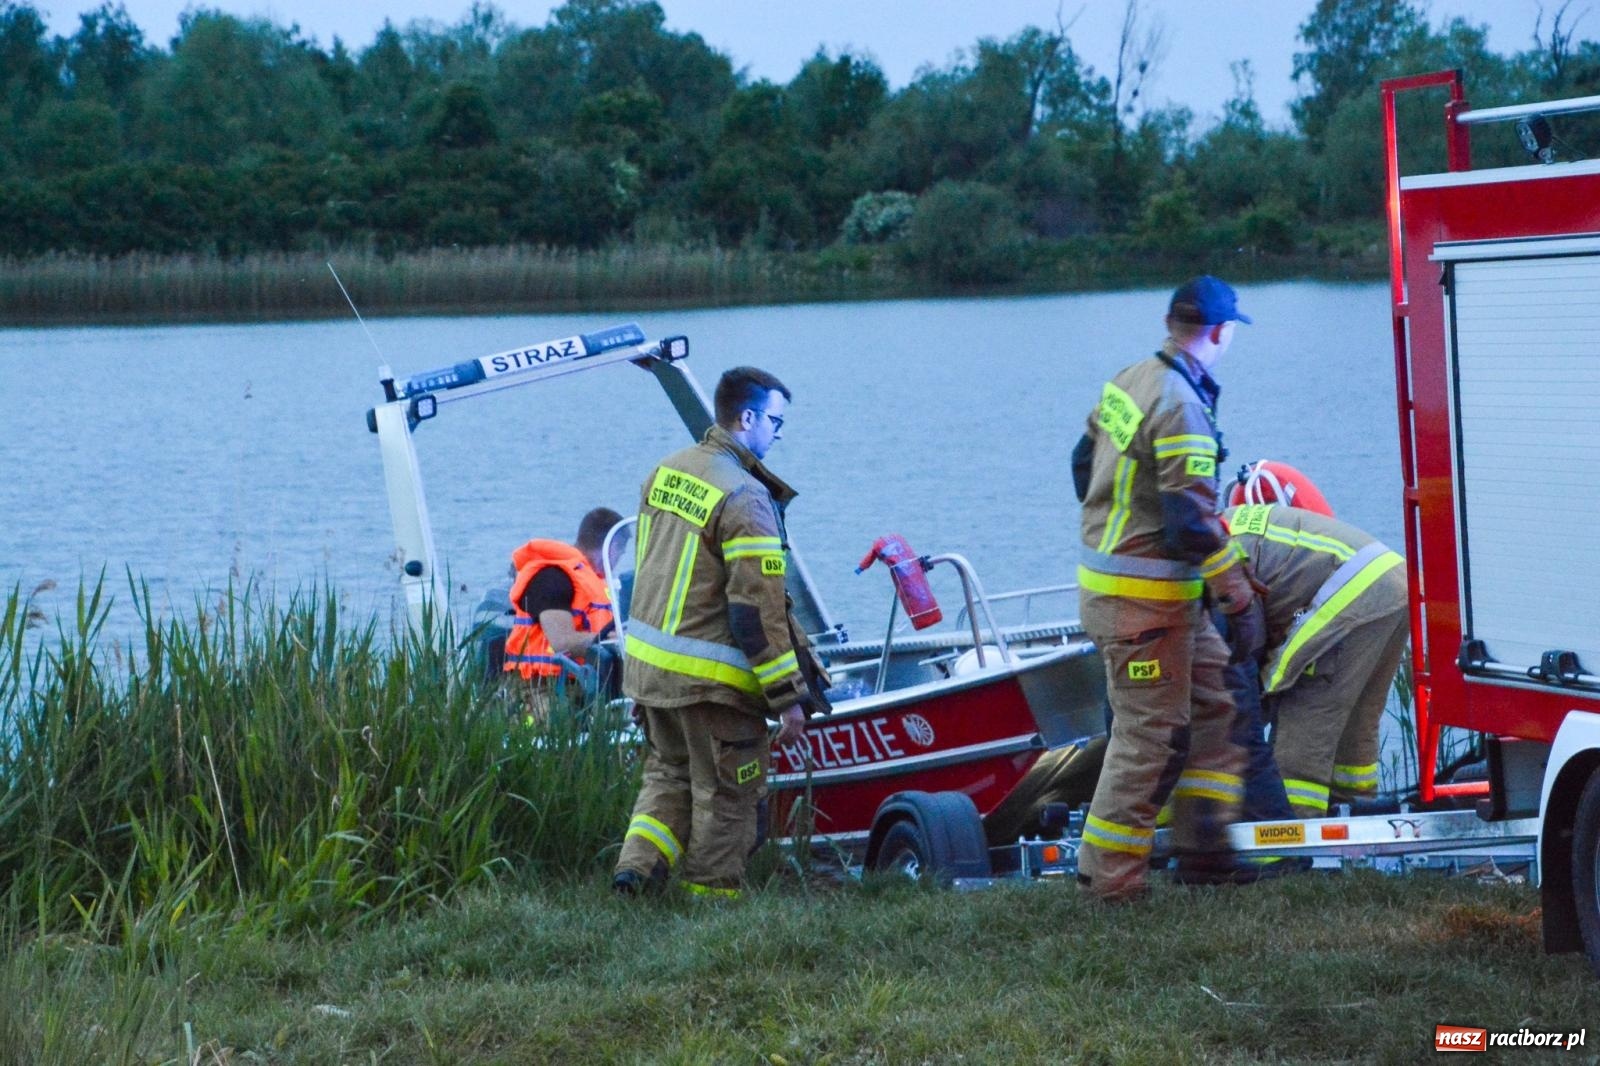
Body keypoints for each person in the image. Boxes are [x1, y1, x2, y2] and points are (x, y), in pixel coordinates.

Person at [1071, 275, 1265, 901]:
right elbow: (1189, 521)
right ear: (1218, 331)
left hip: (1145, 597)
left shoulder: (1132, 378)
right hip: (1143, 604)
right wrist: (1236, 593)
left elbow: (1081, 461)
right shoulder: (1181, 401)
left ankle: (1205, 852)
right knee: (1148, 740)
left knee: (1214, 706)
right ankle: (1109, 883)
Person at [612, 366, 823, 898]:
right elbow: (756, 613)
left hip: (649, 672)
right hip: (711, 682)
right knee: (729, 794)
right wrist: (788, 696)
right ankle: (711, 910)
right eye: (775, 421)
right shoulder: (746, 498)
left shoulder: (665, 472)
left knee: (668, 778)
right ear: (746, 417)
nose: (778, 433)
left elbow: (650, 573)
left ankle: (634, 877)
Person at [1222, 496, 1408, 817]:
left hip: (1350, 591)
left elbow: (1247, 640)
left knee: (1305, 718)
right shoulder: (1223, 531)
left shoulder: (1206, 559)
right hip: (1394, 583)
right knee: (1355, 728)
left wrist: (1254, 699)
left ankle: (1295, 838)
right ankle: (1359, 828)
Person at [504, 506, 624, 693]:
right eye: (621, 552)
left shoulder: (592, 582)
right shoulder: (554, 577)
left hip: (582, 683)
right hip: (542, 688)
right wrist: (610, 642)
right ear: (613, 547)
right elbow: (562, 642)